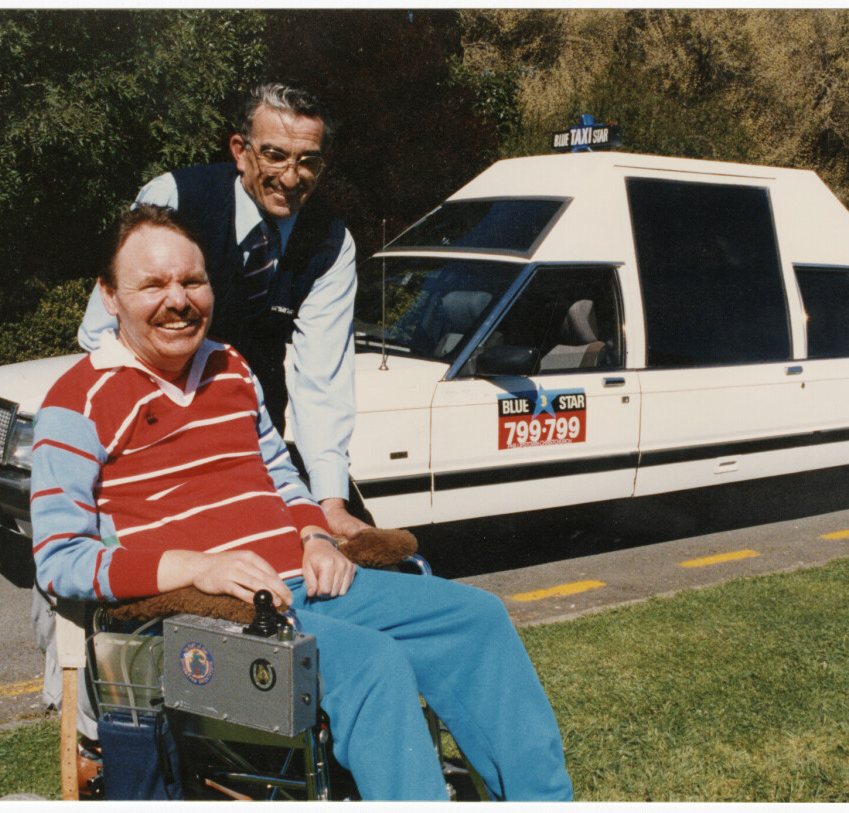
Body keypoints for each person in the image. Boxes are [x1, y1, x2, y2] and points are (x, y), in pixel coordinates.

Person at [33, 206, 573, 802]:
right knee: (370, 663)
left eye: (192, 281)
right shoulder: (75, 402)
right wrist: (198, 567)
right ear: (109, 296)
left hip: (307, 585)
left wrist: (315, 535)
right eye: (153, 285)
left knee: (476, 619)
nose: (178, 300)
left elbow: (283, 477)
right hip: (205, 623)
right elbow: (60, 558)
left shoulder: (230, 367)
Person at [77, 80, 365, 537]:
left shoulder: (331, 243)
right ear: (240, 151)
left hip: (255, 447)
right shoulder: (176, 199)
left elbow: (322, 381)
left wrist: (330, 502)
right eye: (275, 155)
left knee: (343, 552)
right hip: (152, 444)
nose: (291, 178)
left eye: (307, 161)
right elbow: (102, 335)